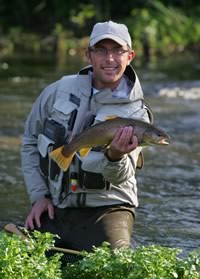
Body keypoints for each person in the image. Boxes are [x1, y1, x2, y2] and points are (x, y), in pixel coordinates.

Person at [21, 20, 152, 252]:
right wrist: (39, 195)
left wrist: (114, 156)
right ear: (88, 55)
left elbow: (121, 177)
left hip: (108, 209)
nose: (109, 59)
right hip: (56, 207)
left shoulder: (138, 114)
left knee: (117, 264)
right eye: (100, 50)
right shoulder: (57, 90)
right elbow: (30, 141)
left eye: (117, 50)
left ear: (130, 56)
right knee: (16, 250)